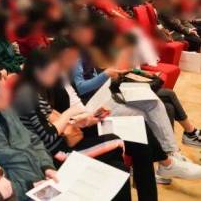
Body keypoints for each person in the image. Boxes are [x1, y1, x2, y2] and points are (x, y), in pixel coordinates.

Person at [69, 20, 201, 179]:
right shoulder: (75, 57)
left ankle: (172, 153)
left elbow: (101, 78)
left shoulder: (92, 52)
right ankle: (163, 162)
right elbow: (82, 88)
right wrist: (107, 74)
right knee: (144, 114)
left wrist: (117, 74)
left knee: (154, 103)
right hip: (94, 107)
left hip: (107, 97)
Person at [11, 49, 132, 201]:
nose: (55, 76)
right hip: (55, 154)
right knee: (117, 143)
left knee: (118, 168)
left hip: (60, 145)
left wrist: (82, 120)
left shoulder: (32, 90)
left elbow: (54, 120)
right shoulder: (25, 95)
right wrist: (70, 113)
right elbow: (48, 136)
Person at [0, 67, 58, 200]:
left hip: (42, 181)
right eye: (4, 89)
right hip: (21, 195)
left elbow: (33, 140)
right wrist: (29, 186)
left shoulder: (5, 109)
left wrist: (47, 166)